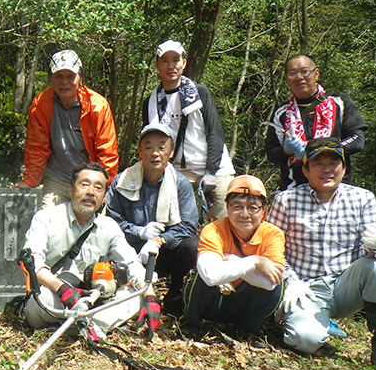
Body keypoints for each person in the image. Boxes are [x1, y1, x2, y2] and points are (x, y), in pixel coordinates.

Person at [268, 137, 376, 370]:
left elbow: (374, 253)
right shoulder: (285, 201)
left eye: (333, 163)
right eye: (318, 164)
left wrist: (375, 244)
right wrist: (290, 281)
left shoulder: (362, 199)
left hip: (346, 285)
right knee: (305, 340)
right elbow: (271, 250)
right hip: (306, 289)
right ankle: (307, 321)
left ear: (344, 168)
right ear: (305, 170)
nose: (326, 170)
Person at [22, 162, 160, 341]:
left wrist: (151, 297)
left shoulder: (109, 226)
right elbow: (33, 263)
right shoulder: (45, 218)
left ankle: (86, 326)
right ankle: (93, 325)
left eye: (98, 187)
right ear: (71, 190)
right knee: (43, 298)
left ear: (104, 198)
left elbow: (131, 264)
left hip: (91, 298)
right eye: (84, 184)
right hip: (54, 297)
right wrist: (61, 289)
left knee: (137, 296)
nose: (90, 192)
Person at [106, 123, 198, 313]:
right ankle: (128, 301)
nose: (155, 153)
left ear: (171, 152)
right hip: (128, 248)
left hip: (163, 251)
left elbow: (188, 225)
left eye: (161, 147)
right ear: (140, 151)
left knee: (191, 246)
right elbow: (111, 222)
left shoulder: (180, 184)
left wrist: (158, 240)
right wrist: (139, 232)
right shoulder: (122, 181)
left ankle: (175, 303)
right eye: (148, 147)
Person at [180, 175, 284, 342]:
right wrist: (255, 262)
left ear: (264, 211)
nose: (244, 214)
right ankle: (189, 326)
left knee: (279, 285)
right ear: (227, 208)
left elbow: (270, 283)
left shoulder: (273, 234)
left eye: (253, 208)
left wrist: (232, 261)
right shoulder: (213, 230)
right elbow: (210, 276)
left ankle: (247, 330)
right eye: (237, 206)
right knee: (198, 276)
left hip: (244, 303)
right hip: (214, 301)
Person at [12, 50, 118, 209]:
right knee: (48, 223)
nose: (64, 82)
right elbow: (37, 148)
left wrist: (106, 186)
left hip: (89, 179)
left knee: (87, 226)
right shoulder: (40, 105)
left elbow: (106, 151)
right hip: (57, 178)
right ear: (51, 79)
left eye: (70, 76)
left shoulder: (98, 106)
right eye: (59, 76)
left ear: (80, 78)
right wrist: (29, 181)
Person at [143, 40, 235, 220]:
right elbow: (149, 140)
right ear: (157, 65)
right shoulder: (151, 102)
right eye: (164, 61)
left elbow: (215, 133)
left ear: (183, 63)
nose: (171, 66)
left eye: (176, 60)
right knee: (167, 217)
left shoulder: (199, 93)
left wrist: (210, 172)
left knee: (226, 218)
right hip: (177, 168)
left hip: (215, 167)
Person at [265, 54, 366, 190]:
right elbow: (272, 153)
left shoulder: (340, 102)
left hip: (336, 187)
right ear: (287, 80)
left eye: (305, 71)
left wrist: (324, 152)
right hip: (295, 187)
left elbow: (357, 140)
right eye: (292, 73)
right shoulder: (281, 113)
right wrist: (287, 150)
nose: (299, 77)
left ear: (316, 74)